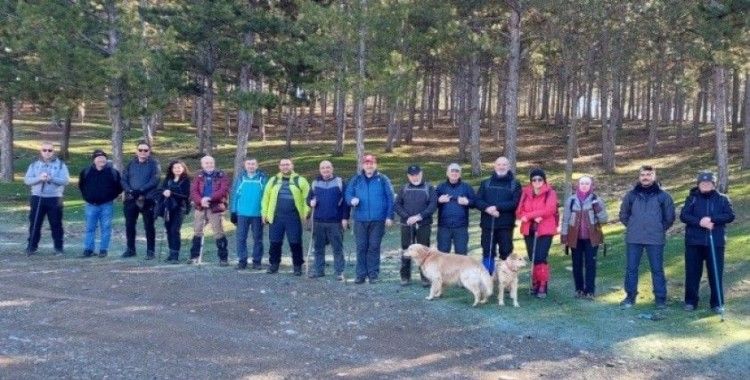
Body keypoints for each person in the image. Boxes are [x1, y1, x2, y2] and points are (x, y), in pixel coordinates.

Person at [618, 165, 675, 309]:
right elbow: (623, 215)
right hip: (634, 238)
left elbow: (669, 218)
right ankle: (630, 297)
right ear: (639, 177)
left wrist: (658, 228)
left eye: (649, 174)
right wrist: (632, 226)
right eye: (643, 174)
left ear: (654, 176)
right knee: (631, 268)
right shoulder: (631, 196)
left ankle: (660, 299)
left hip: (655, 239)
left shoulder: (663, 196)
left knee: (657, 269)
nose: (645, 177)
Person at [679, 171, 735, 313]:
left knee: (715, 273)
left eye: (708, 183)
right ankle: (691, 301)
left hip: (715, 242)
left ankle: (717, 303)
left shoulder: (723, 199)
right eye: (702, 183)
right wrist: (700, 222)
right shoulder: (692, 198)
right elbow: (684, 215)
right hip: (694, 242)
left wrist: (712, 219)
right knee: (692, 273)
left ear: (713, 184)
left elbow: (730, 216)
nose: (705, 185)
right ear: (698, 184)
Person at [345, 154, 394, 284]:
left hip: (378, 220)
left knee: (374, 246)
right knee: (361, 247)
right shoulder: (356, 180)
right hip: (360, 219)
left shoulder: (383, 179)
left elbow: (390, 198)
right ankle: (360, 274)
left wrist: (389, 216)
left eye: (371, 163)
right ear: (363, 165)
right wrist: (351, 200)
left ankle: (373, 274)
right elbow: (348, 194)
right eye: (366, 163)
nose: (369, 165)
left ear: (375, 164)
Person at [560, 175, 608, 299]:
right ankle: (579, 289)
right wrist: (564, 238)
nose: (584, 185)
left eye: (587, 183)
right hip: (575, 238)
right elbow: (565, 220)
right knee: (576, 264)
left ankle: (590, 291)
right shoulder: (571, 200)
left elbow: (604, 219)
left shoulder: (596, 199)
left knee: (590, 264)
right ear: (578, 185)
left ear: (591, 185)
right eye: (582, 183)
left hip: (592, 238)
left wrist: (597, 208)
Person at [261, 158, 310, 276]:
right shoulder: (273, 180)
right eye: (282, 165)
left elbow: (307, 198)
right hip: (276, 217)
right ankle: (274, 265)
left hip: (293, 217)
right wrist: (264, 213)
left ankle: (297, 266)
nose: (285, 167)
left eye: (287, 164)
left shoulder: (300, 180)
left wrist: (305, 213)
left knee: (295, 242)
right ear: (279, 167)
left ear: (292, 166)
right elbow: (266, 197)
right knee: (275, 242)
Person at [516, 168, 559, 299]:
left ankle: (542, 284)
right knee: (532, 257)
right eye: (534, 179)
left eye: (540, 179)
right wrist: (529, 217)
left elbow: (549, 209)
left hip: (545, 228)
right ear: (531, 181)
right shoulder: (525, 192)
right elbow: (519, 211)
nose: (537, 181)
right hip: (529, 229)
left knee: (541, 256)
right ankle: (535, 282)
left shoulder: (550, 193)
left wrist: (529, 216)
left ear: (544, 180)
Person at [474, 156, 522, 274]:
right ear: (495, 166)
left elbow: (515, 203)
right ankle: (487, 279)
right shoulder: (485, 183)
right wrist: (487, 208)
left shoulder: (514, 184)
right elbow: (477, 201)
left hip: (505, 225)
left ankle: (506, 280)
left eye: (504, 165)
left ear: (508, 167)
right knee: (488, 251)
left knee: (506, 252)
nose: (501, 167)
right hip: (487, 224)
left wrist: (497, 207)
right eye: (499, 164)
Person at [23, 142, 70, 256]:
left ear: (53, 152)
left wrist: (51, 178)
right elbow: (27, 180)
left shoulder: (60, 165)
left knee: (56, 223)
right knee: (35, 223)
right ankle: (32, 246)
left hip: (55, 198)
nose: (47, 152)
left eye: (50, 150)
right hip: (37, 197)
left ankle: (58, 247)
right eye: (44, 150)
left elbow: (65, 181)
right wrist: (39, 178)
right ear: (41, 151)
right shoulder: (34, 164)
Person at [306, 160, 350, 280]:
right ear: (320, 170)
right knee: (318, 248)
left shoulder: (340, 182)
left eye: (328, 167)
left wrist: (345, 218)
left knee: (337, 248)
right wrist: (310, 202)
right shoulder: (315, 183)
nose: (325, 170)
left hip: (335, 222)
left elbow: (346, 202)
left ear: (332, 168)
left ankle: (339, 272)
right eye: (323, 168)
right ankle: (319, 270)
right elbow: (308, 199)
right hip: (318, 221)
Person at [395, 164, 437, 286]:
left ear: (421, 174)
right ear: (408, 176)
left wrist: (419, 216)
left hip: (423, 224)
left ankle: (425, 277)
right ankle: (405, 277)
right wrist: (407, 217)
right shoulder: (404, 188)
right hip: (407, 224)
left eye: (417, 174)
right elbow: (397, 205)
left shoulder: (429, 188)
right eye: (412, 175)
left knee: (424, 251)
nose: (415, 177)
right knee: (406, 250)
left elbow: (432, 206)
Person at [120, 141, 161, 259]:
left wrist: (142, 189)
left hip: (147, 199)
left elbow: (155, 180)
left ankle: (150, 251)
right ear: (136, 151)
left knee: (149, 225)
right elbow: (123, 179)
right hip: (131, 199)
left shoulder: (154, 164)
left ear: (149, 152)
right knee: (129, 225)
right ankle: (130, 249)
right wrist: (130, 190)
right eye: (140, 150)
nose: (143, 152)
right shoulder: (131, 164)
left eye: (145, 150)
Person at [78, 149, 122, 258]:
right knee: (90, 228)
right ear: (94, 160)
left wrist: (111, 197)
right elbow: (81, 186)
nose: (101, 160)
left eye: (103, 158)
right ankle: (88, 249)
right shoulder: (86, 172)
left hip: (107, 205)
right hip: (91, 205)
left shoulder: (113, 173)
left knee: (106, 228)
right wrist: (87, 197)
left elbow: (119, 187)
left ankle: (103, 250)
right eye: (98, 158)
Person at [189, 155, 231, 265]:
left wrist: (210, 198)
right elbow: (193, 191)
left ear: (214, 163)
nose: (209, 165)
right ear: (202, 164)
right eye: (206, 163)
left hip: (215, 207)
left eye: (211, 162)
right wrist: (200, 200)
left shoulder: (221, 175)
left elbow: (223, 190)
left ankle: (223, 258)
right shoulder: (198, 175)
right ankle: (194, 256)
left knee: (218, 232)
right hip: (200, 206)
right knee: (197, 230)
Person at [230, 158, 267, 270]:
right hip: (242, 214)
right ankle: (242, 260)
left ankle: (257, 261)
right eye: (249, 164)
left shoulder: (262, 178)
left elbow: (266, 196)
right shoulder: (241, 178)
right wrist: (233, 211)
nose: (251, 166)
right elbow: (235, 195)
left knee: (258, 239)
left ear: (257, 165)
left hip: (257, 214)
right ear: (245, 166)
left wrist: (265, 213)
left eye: (253, 164)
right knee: (241, 238)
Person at [435, 163, 476, 255]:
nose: (454, 173)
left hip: (461, 227)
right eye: (452, 171)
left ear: (460, 174)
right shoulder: (441, 187)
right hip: (444, 227)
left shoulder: (467, 187)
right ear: (447, 173)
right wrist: (439, 200)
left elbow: (475, 203)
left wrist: (468, 202)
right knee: (442, 255)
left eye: (457, 171)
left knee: (461, 254)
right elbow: (432, 204)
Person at [158, 160, 191, 264]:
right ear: (171, 169)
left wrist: (171, 193)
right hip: (168, 208)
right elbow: (161, 190)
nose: (177, 169)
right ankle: (171, 253)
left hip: (180, 208)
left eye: (179, 167)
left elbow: (186, 195)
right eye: (175, 167)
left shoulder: (186, 180)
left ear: (183, 168)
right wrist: (164, 192)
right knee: (168, 229)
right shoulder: (168, 179)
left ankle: (175, 255)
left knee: (174, 230)